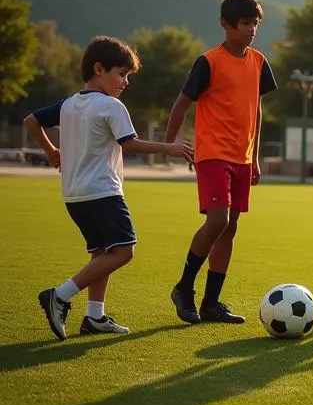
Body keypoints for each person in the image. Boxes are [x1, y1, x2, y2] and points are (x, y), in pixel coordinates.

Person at [28, 36, 194, 340]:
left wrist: (52, 151)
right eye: (122, 73)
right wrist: (168, 147)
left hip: (74, 195)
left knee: (101, 253)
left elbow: (31, 120)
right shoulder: (111, 106)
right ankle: (60, 296)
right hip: (103, 192)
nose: (126, 82)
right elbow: (129, 144)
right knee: (123, 252)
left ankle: (95, 317)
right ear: (98, 68)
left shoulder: (68, 105)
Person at [165, 0, 277, 325]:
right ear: (225, 24)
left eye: (256, 23)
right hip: (213, 154)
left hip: (242, 158)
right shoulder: (208, 61)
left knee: (230, 229)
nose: (252, 29)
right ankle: (184, 289)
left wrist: (254, 157)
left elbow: (256, 111)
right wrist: (170, 144)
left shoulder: (258, 62)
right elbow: (182, 103)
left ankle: (211, 303)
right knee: (218, 221)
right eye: (245, 23)